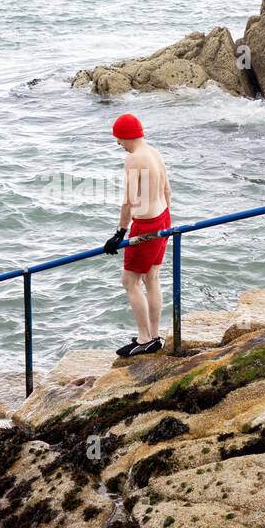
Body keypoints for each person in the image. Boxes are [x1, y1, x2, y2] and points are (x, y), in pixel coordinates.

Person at [102, 113, 171, 356]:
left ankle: (144, 339)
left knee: (129, 281)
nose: (118, 145)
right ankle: (154, 336)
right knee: (152, 277)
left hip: (146, 225)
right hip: (163, 217)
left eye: (117, 140)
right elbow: (167, 190)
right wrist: (163, 219)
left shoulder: (133, 159)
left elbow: (129, 202)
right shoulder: (154, 152)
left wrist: (119, 233)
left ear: (123, 137)